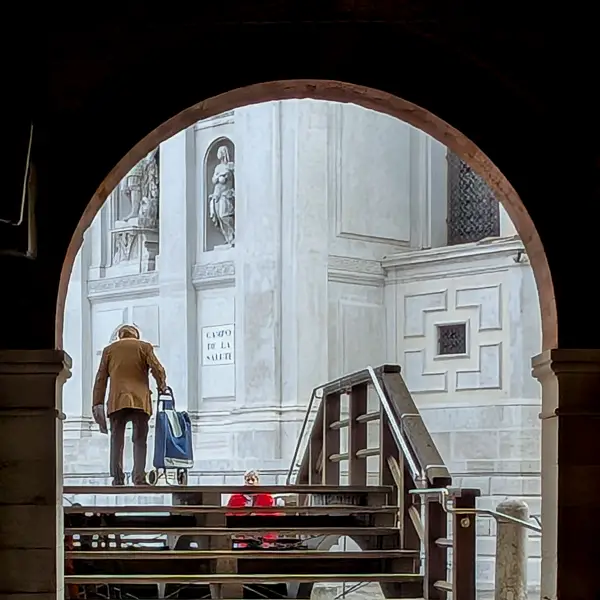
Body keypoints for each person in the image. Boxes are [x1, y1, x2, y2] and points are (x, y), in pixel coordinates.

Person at [92, 324, 167, 486]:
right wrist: (162, 386)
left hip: (117, 401)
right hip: (140, 401)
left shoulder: (109, 350)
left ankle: (118, 478)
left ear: (120, 336)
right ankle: (138, 477)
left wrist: (97, 402)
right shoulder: (144, 347)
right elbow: (158, 369)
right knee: (140, 440)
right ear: (136, 335)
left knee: (116, 439)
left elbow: (101, 379)